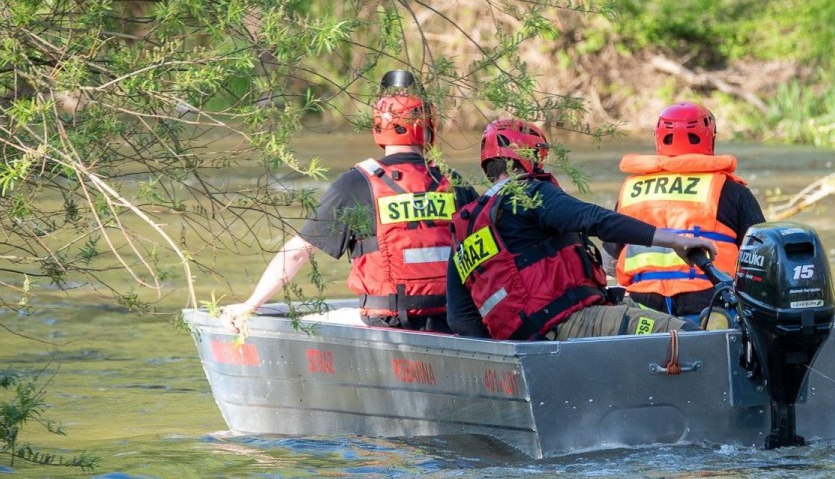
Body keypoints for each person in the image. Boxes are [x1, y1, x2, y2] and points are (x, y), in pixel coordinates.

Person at [222, 71, 477, 333]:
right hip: (451, 320)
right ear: (429, 127)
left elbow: (298, 252)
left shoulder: (356, 184)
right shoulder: (455, 184)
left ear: (378, 127)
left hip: (385, 322)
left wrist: (251, 305)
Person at [447, 118, 717, 341]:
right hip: (570, 323)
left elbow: (460, 317)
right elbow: (594, 219)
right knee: (693, 339)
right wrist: (673, 240)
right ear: (528, 157)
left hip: (524, 343)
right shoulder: (528, 194)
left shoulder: (465, 228)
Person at [603, 101, 765, 321]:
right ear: (710, 137)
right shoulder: (731, 191)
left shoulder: (631, 190)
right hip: (710, 307)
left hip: (644, 311)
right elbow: (762, 260)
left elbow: (608, 263)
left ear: (658, 138)